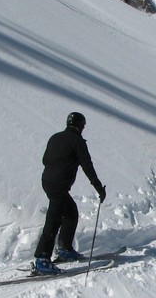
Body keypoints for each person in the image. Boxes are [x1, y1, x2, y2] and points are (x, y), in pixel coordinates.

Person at [32, 112, 107, 275]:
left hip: (47, 181)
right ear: (80, 126)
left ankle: (65, 248)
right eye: (83, 126)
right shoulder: (77, 141)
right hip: (59, 184)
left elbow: (45, 159)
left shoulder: (55, 137)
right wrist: (99, 187)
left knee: (70, 212)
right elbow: (87, 166)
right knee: (54, 219)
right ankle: (42, 259)